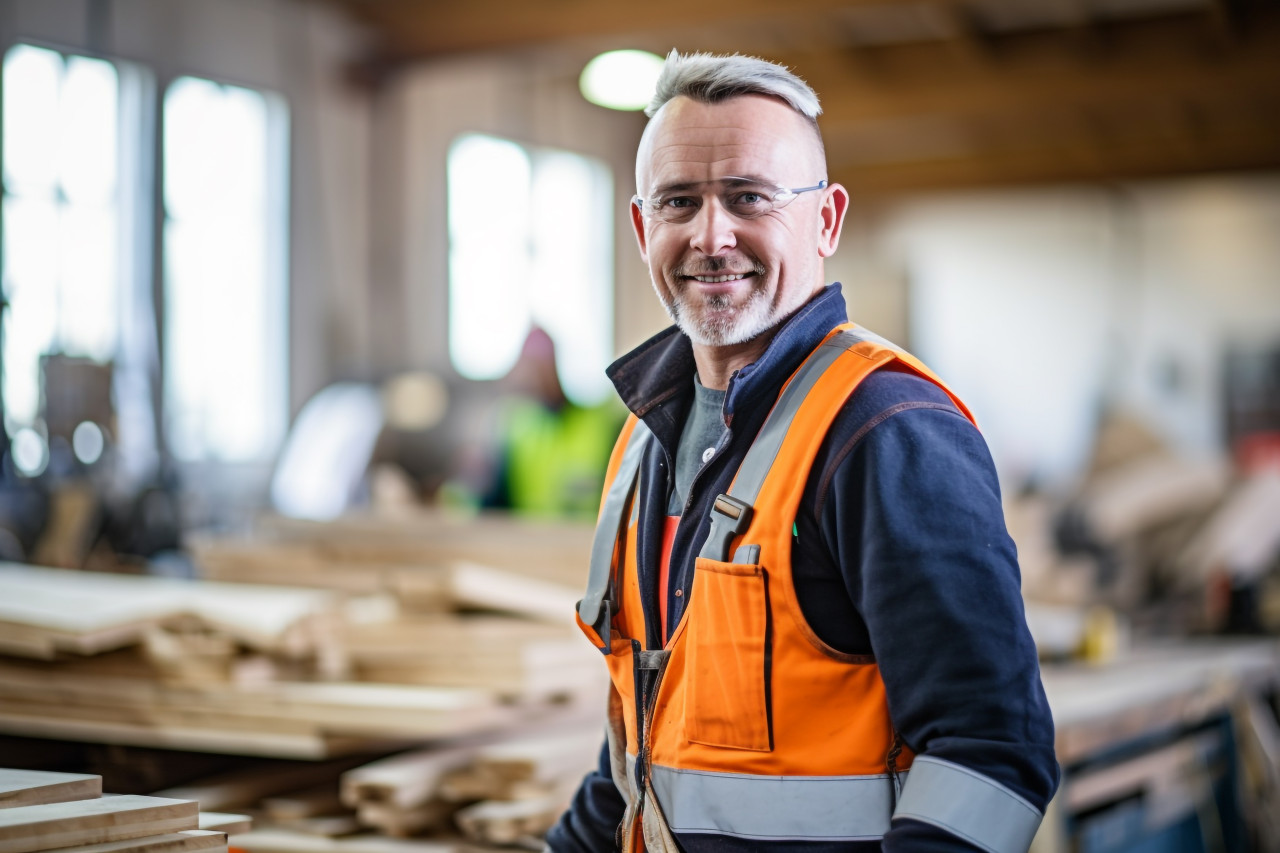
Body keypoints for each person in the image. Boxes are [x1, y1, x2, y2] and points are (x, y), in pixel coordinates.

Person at [546, 50, 1058, 853]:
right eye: (679, 202)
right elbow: (643, 743)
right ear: (645, 228)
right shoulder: (645, 440)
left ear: (825, 219)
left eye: (749, 197)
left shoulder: (887, 430)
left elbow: (990, 759)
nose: (711, 236)